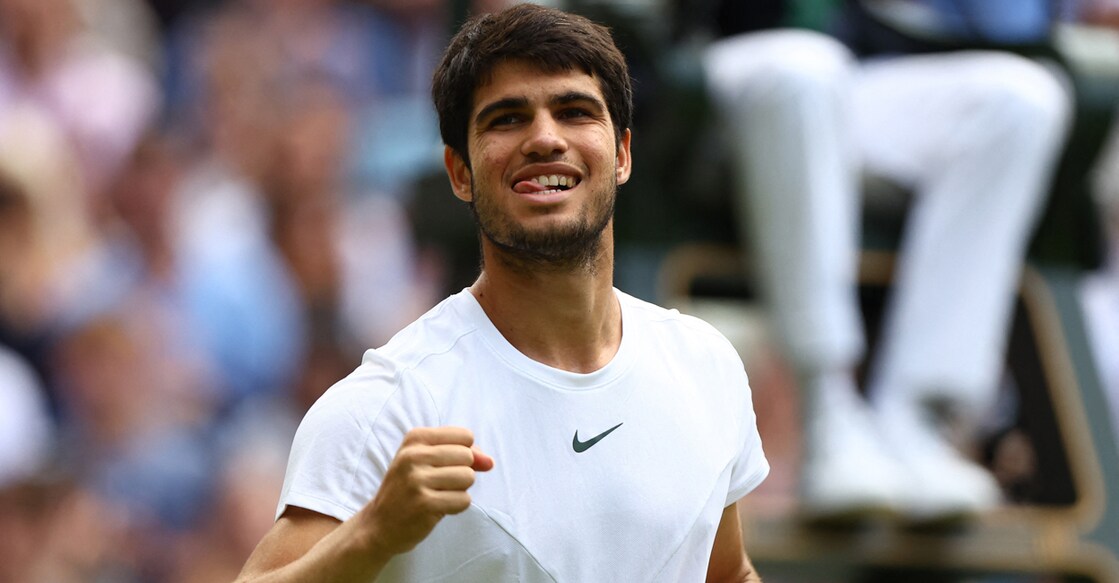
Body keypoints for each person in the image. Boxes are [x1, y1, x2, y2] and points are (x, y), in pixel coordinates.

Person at [235, 4, 769, 582]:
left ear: (621, 154)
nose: (545, 138)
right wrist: (373, 533)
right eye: (507, 119)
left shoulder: (705, 365)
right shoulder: (389, 407)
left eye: (574, 111)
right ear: (459, 172)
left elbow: (727, 573)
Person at [700, 0, 1071, 522]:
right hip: (722, 68)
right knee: (804, 69)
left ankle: (915, 425)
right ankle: (826, 412)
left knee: (1022, 98)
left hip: (866, 74)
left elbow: (1015, 24)